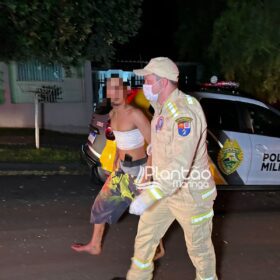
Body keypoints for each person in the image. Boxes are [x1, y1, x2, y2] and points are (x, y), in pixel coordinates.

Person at [119, 57, 217, 280]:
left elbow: (181, 163)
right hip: (165, 191)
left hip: (191, 195)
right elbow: (160, 148)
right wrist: (147, 176)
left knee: (200, 252)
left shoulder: (184, 113)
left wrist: (151, 195)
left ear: (162, 82)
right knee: (145, 236)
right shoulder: (162, 109)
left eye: (147, 80)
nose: (143, 84)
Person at [71, 77, 164, 260]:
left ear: (125, 90)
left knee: (148, 214)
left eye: (116, 88)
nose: (112, 92)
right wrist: (115, 161)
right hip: (121, 170)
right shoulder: (113, 114)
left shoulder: (135, 113)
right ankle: (95, 245)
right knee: (100, 205)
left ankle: (159, 250)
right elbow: (120, 141)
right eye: (109, 88)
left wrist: (148, 173)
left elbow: (155, 144)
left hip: (139, 171)